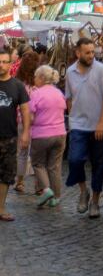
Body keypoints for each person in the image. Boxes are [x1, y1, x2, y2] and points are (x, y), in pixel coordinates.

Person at [65, 37, 103, 219]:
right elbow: (69, 98)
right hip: (79, 125)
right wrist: (72, 120)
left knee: (100, 164)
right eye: (87, 52)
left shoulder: (101, 69)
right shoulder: (70, 72)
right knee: (75, 160)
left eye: (93, 52)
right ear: (78, 53)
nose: (91, 56)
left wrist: (102, 122)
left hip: (100, 125)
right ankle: (83, 190)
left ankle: (95, 201)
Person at [26, 65, 66, 209]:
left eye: (36, 77)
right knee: (54, 166)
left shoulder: (36, 93)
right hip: (60, 133)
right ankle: (56, 197)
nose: (35, 79)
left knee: (38, 164)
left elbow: (30, 116)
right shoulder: (59, 93)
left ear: (42, 78)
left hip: (41, 134)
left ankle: (46, 190)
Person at [0, 47, 29, 221]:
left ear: (11, 64)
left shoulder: (17, 86)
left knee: (5, 174)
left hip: (9, 137)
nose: (1, 65)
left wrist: (26, 133)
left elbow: (25, 111)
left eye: (4, 62)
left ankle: (1, 208)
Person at [11, 49, 38, 194]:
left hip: (20, 120)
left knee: (21, 152)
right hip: (38, 122)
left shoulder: (17, 82)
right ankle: (39, 184)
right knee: (36, 153)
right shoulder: (39, 82)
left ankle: (20, 182)